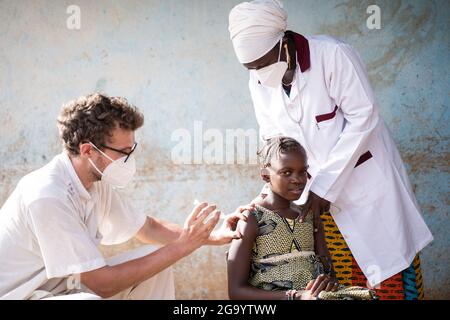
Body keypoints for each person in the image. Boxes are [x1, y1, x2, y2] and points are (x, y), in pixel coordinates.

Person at [228, 0, 433, 299]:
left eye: (263, 62)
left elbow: (365, 117)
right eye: (251, 68)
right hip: (314, 204)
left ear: (283, 42)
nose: (259, 73)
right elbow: (273, 146)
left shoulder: (332, 55)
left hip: (368, 193)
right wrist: (259, 202)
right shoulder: (257, 81)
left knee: (391, 279)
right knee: (337, 283)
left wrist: (324, 185)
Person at [0, 93, 248, 300]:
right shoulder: (48, 196)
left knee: (152, 264)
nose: (129, 160)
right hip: (25, 296)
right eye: (124, 152)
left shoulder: (94, 181)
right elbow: (102, 284)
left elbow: (147, 227)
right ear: (88, 150)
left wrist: (212, 236)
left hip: (62, 290)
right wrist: (183, 247)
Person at [227, 136, 377, 300]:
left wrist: (328, 283)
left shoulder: (309, 216)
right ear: (265, 174)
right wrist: (296, 297)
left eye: (303, 171)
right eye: (287, 172)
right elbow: (236, 292)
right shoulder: (251, 217)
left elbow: (329, 273)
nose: (298, 180)